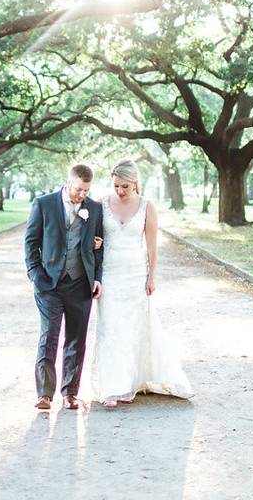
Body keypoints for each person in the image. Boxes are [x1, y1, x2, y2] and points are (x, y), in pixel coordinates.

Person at [91, 159, 194, 407]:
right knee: (111, 328)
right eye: (116, 185)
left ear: (135, 183)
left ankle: (130, 382)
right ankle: (112, 386)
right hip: (110, 274)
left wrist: (151, 277)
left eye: (124, 186)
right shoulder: (101, 203)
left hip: (135, 275)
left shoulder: (147, 206)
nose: (119, 191)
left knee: (134, 329)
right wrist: (93, 245)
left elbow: (151, 247)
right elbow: (92, 237)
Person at [24, 163, 104, 411]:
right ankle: (44, 394)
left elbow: (100, 247)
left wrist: (97, 277)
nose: (82, 195)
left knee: (76, 339)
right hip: (49, 283)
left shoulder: (94, 209)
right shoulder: (44, 203)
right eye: (79, 189)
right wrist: (35, 274)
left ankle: (70, 392)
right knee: (49, 335)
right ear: (69, 182)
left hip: (81, 283)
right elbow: (31, 242)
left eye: (86, 190)